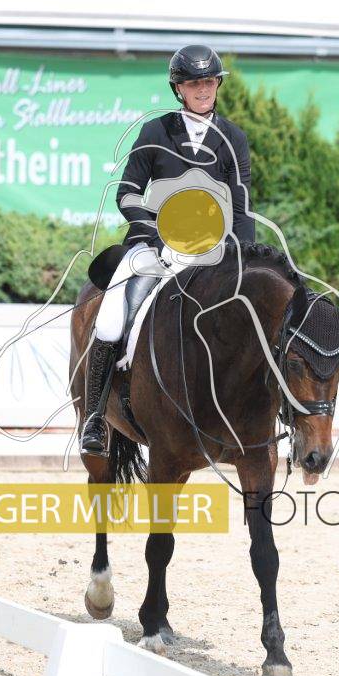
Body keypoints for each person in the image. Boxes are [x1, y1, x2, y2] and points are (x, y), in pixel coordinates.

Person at [79, 44, 256, 457]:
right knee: (111, 318)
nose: (203, 89)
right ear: (178, 88)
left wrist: (244, 256)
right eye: (194, 83)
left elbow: (242, 206)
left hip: (213, 252)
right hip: (154, 248)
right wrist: (152, 232)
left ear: (217, 85)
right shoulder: (156, 132)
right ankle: (95, 418)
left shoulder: (233, 138)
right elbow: (127, 192)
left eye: (209, 81)